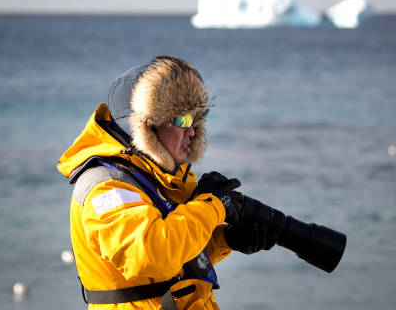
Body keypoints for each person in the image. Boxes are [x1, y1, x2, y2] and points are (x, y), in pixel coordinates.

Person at [58, 56, 276, 310]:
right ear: (144, 126)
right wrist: (214, 206)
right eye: (181, 119)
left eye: (195, 120)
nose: (191, 131)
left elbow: (172, 262)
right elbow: (152, 256)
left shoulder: (155, 178)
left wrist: (223, 240)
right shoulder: (107, 187)